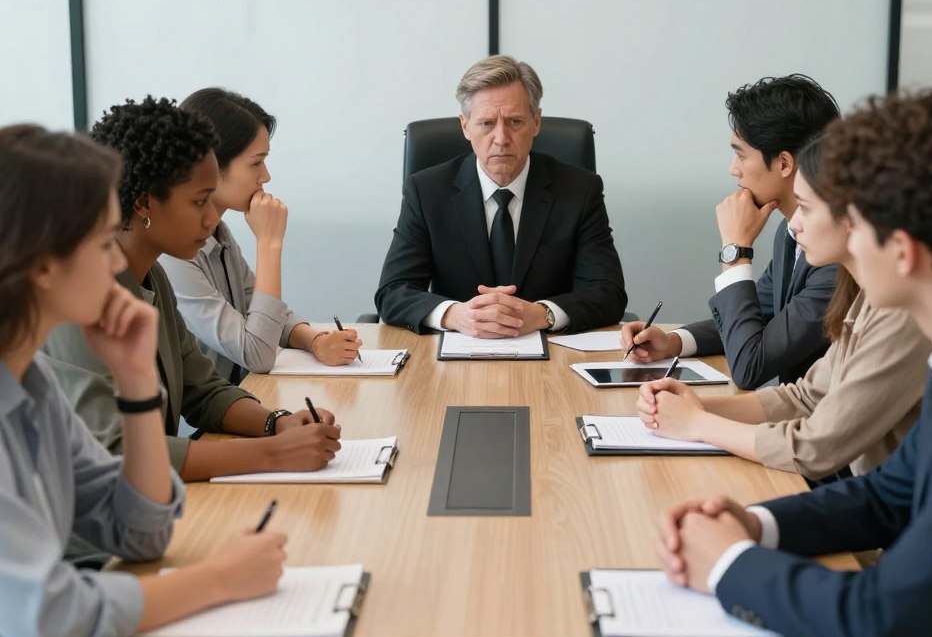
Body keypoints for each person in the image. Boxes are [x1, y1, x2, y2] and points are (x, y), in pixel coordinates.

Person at [654, 90, 932, 637]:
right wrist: (756, 524)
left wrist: (730, 563)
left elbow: (882, 623)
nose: (835, 243)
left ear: (902, 251)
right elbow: (887, 494)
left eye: (853, 222)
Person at [0, 125, 286, 637]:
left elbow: (141, 532)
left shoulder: (32, 383)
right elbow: (50, 618)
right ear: (43, 266)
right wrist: (221, 578)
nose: (117, 263)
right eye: (103, 241)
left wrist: (136, 383)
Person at [41, 97, 341, 483]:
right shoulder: (74, 297)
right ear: (144, 203)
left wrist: (277, 422)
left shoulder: (152, 277)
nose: (212, 217)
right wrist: (275, 452)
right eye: (200, 202)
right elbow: (116, 451)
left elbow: (203, 390)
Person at [636, 134, 930, 480]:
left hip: (866, 492)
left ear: (852, 216)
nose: (793, 223)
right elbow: (807, 397)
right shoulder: (866, 296)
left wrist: (698, 423)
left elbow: (813, 447)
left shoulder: (899, 311)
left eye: (805, 207)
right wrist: (695, 406)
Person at [375, 54, 627, 337]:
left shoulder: (579, 190)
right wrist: (454, 315)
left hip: (553, 352)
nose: (501, 138)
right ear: (465, 126)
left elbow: (607, 292)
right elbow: (393, 292)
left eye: (515, 121)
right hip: (455, 352)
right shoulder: (426, 191)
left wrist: (542, 314)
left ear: (536, 122)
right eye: (486, 123)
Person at [622, 75, 841, 389]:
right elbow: (758, 316)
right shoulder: (790, 231)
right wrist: (674, 341)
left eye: (740, 155)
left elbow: (750, 366)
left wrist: (735, 251)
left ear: (784, 163)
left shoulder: (835, 257)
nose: (732, 169)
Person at [159, 88, 361, 385]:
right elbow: (256, 353)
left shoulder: (218, 233)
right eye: (256, 162)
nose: (266, 176)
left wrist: (315, 340)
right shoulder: (172, 255)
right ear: (210, 165)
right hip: (209, 408)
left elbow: (261, 309)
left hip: (237, 397)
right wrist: (269, 244)